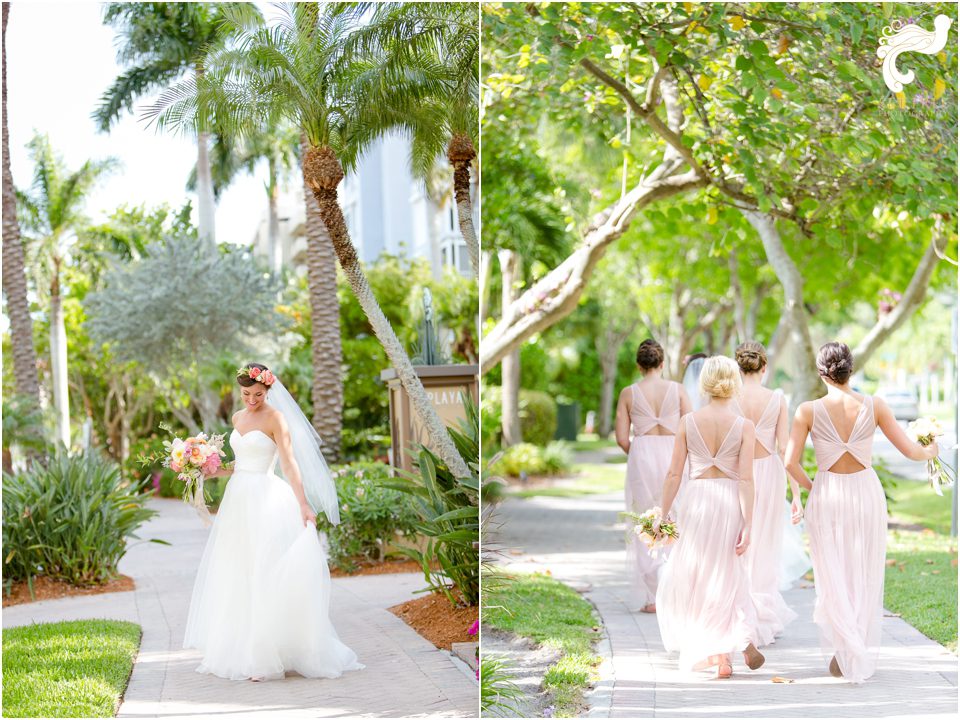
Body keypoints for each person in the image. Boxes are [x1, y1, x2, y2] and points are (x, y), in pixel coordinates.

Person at [183, 363, 363, 682]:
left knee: (264, 571)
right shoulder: (238, 418)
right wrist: (210, 468)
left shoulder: (276, 418)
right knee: (237, 571)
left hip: (265, 499)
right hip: (238, 500)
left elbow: (290, 463)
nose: (252, 399)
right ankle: (243, 649)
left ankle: (265, 656)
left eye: (258, 394)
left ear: (268, 390)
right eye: (246, 394)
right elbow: (240, 464)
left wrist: (304, 504)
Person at [785, 342, 938, 683]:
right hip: (866, 493)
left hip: (828, 491)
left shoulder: (807, 411)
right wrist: (932, 451)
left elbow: (789, 463)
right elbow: (911, 451)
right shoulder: (875, 405)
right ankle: (853, 643)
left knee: (831, 572)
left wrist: (814, 487)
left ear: (821, 372)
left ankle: (845, 644)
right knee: (862, 568)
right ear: (850, 369)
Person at [655, 356, 764, 678]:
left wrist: (663, 513)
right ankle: (732, 645)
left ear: (704, 384)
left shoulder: (688, 422)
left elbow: (674, 473)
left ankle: (719, 655)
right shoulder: (744, 426)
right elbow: (746, 478)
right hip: (729, 501)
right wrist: (749, 523)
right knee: (728, 571)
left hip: (697, 501)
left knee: (700, 574)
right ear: (735, 383)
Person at [615, 339, 692, 612]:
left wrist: (638, 452)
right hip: (674, 453)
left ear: (639, 365)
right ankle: (678, 588)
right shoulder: (679, 390)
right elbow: (692, 428)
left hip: (643, 454)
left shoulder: (628, 393)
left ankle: (653, 597)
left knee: (644, 519)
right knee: (676, 514)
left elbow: (622, 439)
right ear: (662, 364)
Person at [732, 342, 797, 646]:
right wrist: (796, 494)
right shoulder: (777, 399)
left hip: (738, 475)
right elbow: (786, 449)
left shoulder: (729, 398)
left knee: (737, 541)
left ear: (738, 366)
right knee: (766, 543)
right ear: (764, 367)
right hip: (770, 475)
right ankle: (762, 614)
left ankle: (739, 612)